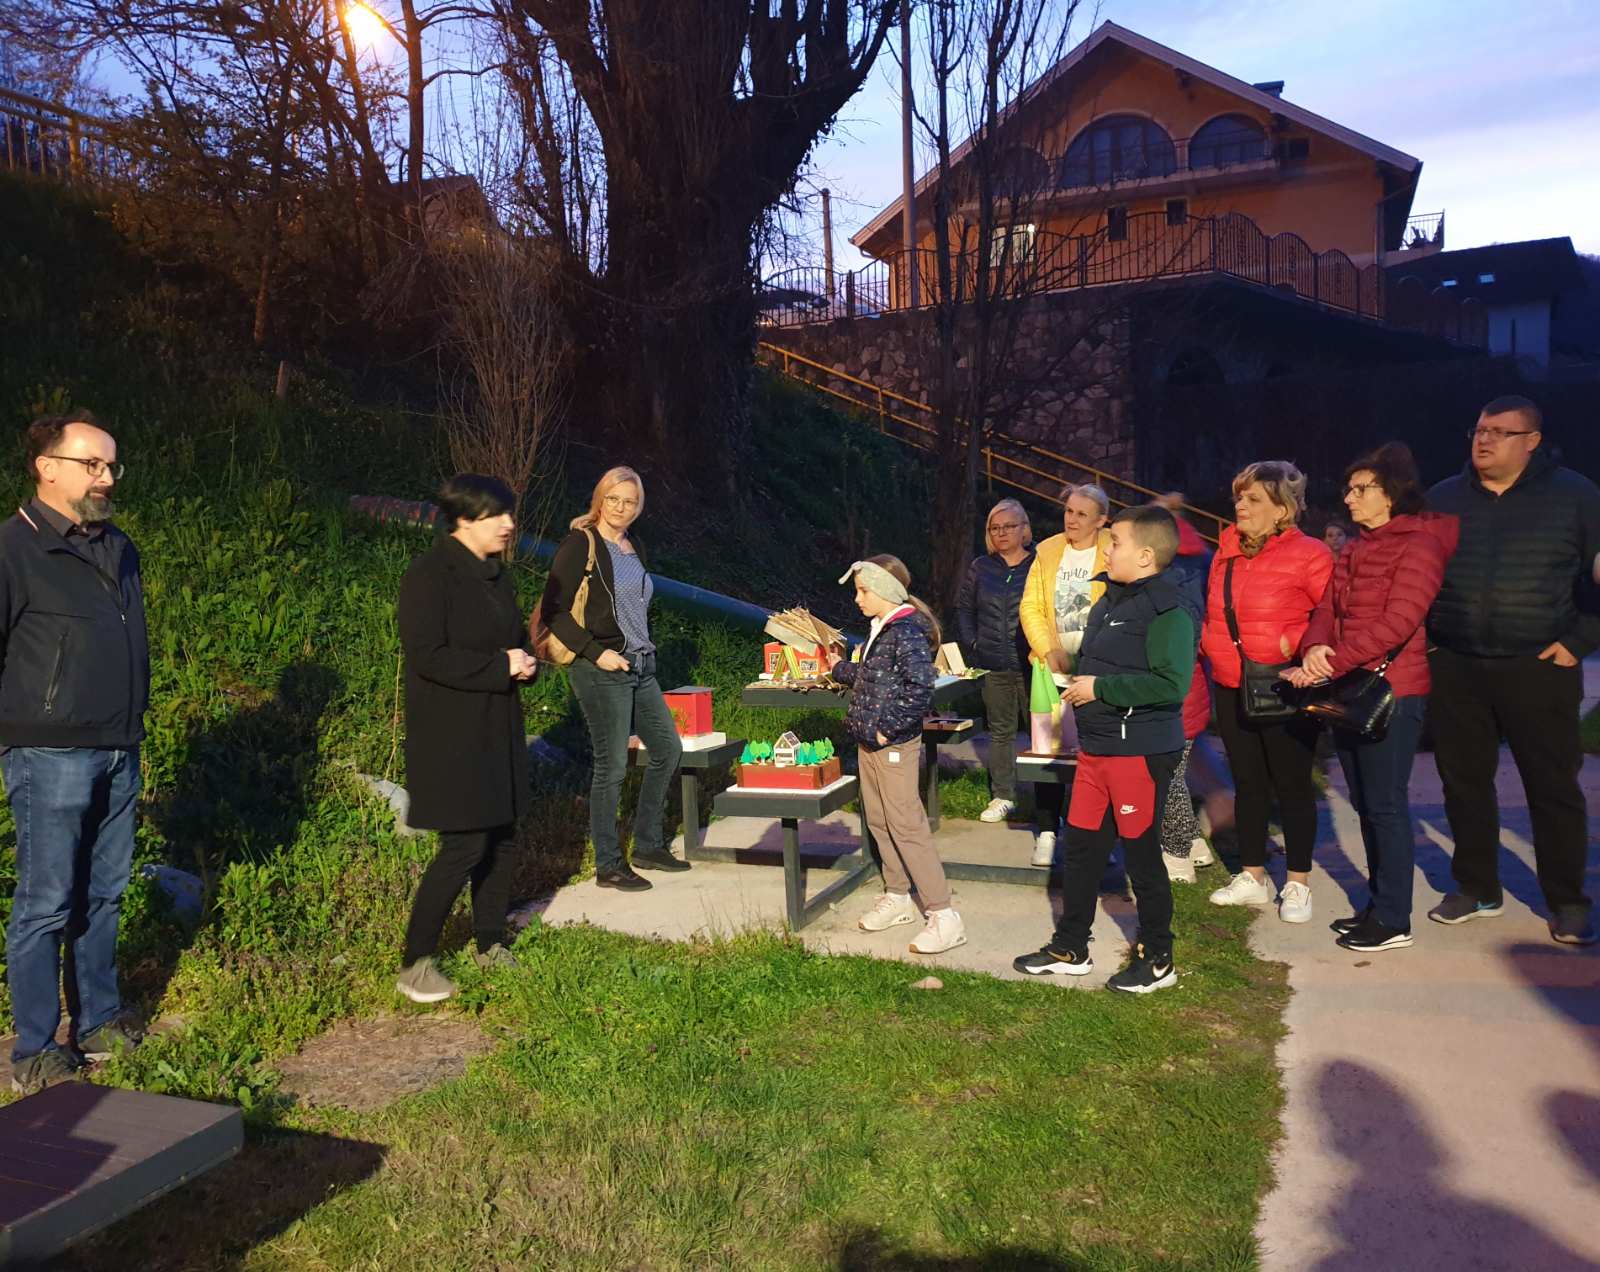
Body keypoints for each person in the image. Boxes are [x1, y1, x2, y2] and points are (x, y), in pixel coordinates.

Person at [1, 412, 149, 1094]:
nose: (107, 477)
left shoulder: (119, 547)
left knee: (105, 892)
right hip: (49, 754)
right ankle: (35, 1049)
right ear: (47, 467)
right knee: (46, 902)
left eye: (112, 465)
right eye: (92, 464)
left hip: (119, 746)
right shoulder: (14, 549)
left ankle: (98, 1021)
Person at [1424, 396, 1600, 946]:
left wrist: (1579, 642)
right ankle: (1477, 887)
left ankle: (1567, 900)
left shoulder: (1576, 496)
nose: (1484, 440)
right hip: (1457, 665)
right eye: (1479, 429)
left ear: (1532, 441)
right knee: (1463, 783)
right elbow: (1419, 576)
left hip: (1540, 666)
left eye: (1500, 432)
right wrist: (1430, 641)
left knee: (1552, 787)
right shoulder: (1443, 498)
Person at [1012, 506, 1197, 992]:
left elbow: (1171, 685)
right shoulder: (1110, 600)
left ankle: (1158, 959)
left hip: (1138, 754)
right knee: (1080, 850)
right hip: (1097, 750)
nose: (1106, 550)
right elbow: (1108, 662)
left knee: (1141, 858)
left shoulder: (1169, 610)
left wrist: (1100, 688)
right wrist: (1071, 669)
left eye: (1115, 542)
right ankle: (1071, 947)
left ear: (1145, 555)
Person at [1282, 444, 1457, 952]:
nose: (1350, 497)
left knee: (1385, 805)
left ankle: (1394, 919)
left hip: (1392, 692)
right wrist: (1316, 647)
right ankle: (1378, 906)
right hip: (1351, 686)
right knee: (1364, 802)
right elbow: (1328, 609)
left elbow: (1399, 622)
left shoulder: (1419, 546)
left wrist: (1329, 662)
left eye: (1362, 489)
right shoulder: (1358, 546)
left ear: (1392, 494)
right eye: (1349, 488)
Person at [394, 475, 538, 1004]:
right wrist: (499, 666)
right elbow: (427, 655)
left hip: (498, 724)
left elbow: (515, 641)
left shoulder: (496, 576)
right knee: (465, 845)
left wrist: (526, 662)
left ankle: (490, 942)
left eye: (509, 513)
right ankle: (415, 964)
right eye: (497, 515)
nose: (509, 524)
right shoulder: (429, 575)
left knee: (502, 835)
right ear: (464, 519)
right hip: (451, 733)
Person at [1202, 460, 1333, 923]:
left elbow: (1329, 615)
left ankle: (1297, 882)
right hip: (1230, 682)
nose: (1241, 505)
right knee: (1248, 782)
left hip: (1285, 683)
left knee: (1292, 784)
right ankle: (1253, 875)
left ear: (1282, 509)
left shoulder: (1311, 554)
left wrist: (1307, 655)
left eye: (1253, 498)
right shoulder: (1225, 550)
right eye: (1239, 496)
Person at [545, 466, 684, 893]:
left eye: (630, 502)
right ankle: (608, 864)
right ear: (599, 499)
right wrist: (595, 652)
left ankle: (648, 846)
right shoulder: (580, 544)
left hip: (641, 666)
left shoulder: (633, 546)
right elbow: (554, 611)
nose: (621, 508)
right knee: (612, 765)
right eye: (614, 499)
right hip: (601, 668)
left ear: (639, 507)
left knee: (668, 749)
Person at [830, 555, 965, 954]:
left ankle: (943, 915)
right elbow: (874, 676)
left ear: (885, 590)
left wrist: (886, 729)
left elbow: (920, 687)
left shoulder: (905, 631)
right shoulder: (881, 628)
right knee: (878, 819)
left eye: (863, 591)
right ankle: (898, 895)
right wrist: (838, 668)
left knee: (906, 825)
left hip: (891, 745)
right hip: (869, 744)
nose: (857, 599)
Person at [1018, 483, 1111, 865]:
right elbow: (1031, 606)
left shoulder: (1113, 549)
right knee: (1049, 752)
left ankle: (1093, 834)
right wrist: (1048, 650)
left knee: (1097, 755)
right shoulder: (1048, 550)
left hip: (1098, 671)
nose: (1071, 519)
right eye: (1069, 511)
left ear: (1101, 520)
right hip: (1051, 672)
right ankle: (1048, 830)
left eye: (1081, 514)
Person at [955, 499, 1035, 825]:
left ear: (1024, 529)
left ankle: (1048, 805)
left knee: (1042, 734)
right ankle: (1003, 796)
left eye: (1009, 526)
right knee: (1001, 732)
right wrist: (974, 644)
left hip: (1033, 666)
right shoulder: (981, 568)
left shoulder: (1039, 565)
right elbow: (964, 609)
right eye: (995, 528)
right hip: (994, 665)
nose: (1001, 533)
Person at [1153, 493, 1215, 884]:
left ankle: (1177, 861)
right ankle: (1194, 844)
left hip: (1173, 688)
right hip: (1192, 684)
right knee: (1175, 770)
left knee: (1167, 775)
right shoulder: (1201, 558)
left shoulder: (1169, 571)